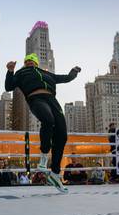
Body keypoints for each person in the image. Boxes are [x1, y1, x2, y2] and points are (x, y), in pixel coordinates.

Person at [5, 53, 81, 193]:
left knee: (62, 135)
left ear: (36, 63)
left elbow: (66, 78)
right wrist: (10, 71)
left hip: (52, 101)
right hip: (36, 99)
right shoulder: (21, 73)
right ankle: (43, 158)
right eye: (27, 61)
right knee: (48, 120)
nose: (29, 62)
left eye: (32, 61)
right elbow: (9, 86)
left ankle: (55, 174)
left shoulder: (47, 74)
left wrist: (74, 71)